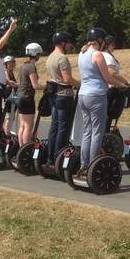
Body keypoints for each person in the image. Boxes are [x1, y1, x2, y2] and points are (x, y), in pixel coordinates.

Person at [77, 28, 128, 177]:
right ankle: (94, 165)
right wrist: (121, 85)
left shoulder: (82, 53)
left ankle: (84, 165)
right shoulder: (97, 55)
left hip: (83, 95)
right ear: (100, 40)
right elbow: (107, 77)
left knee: (87, 131)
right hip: (96, 95)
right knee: (97, 132)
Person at [46, 32, 80, 165]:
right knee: (63, 127)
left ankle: (50, 157)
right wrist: (79, 84)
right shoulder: (62, 58)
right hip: (64, 96)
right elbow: (67, 79)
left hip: (53, 96)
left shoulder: (50, 57)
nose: (70, 45)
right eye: (68, 42)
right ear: (62, 43)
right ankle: (58, 155)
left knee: (54, 126)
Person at [17, 43, 44, 145]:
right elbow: (35, 85)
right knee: (28, 126)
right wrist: (47, 86)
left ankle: (21, 149)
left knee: (22, 125)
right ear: (36, 54)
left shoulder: (23, 66)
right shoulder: (32, 67)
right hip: (27, 98)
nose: (39, 56)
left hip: (20, 97)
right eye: (39, 54)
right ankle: (26, 150)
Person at [2, 55, 19, 136]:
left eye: (12, 63)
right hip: (8, 98)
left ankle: (6, 131)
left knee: (11, 117)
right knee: (9, 117)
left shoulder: (11, 73)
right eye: (9, 63)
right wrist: (19, 84)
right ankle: (6, 133)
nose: (11, 65)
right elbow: (10, 84)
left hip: (13, 97)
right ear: (5, 65)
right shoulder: (5, 73)